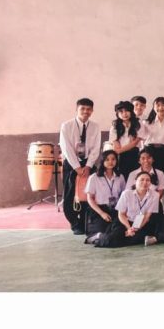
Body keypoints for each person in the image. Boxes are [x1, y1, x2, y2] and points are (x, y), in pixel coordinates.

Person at [60, 98, 101, 235]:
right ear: (76, 110)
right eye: (82, 108)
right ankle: (74, 223)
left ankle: (85, 221)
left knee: (88, 193)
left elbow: (96, 148)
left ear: (92, 111)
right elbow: (66, 148)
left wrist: (88, 166)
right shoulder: (66, 126)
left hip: (88, 163)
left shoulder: (95, 126)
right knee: (71, 194)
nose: (85, 111)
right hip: (72, 164)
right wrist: (76, 167)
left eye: (88, 109)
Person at [94, 170, 160, 248]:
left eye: (148, 180)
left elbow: (147, 216)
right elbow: (121, 214)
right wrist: (129, 228)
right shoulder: (126, 193)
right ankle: (99, 236)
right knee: (111, 240)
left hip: (141, 223)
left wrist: (136, 229)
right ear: (135, 181)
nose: (145, 182)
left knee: (137, 238)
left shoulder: (155, 195)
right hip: (125, 222)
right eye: (142, 179)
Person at [83, 150, 126, 245]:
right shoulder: (94, 177)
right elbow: (90, 198)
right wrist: (102, 213)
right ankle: (98, 237)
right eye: (107, 159)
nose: (111, 162)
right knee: (102, 231)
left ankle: (104, 238)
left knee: (119, 232)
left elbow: (124, 196)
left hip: (116, 209)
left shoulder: (120, 177)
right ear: (102, 161)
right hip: (100, 210)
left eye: (113, 159)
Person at [108, 101, 143, 177]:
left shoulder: (138, 123)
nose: (124, 114)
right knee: (122, 176)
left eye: (127, 111)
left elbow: (135, 143)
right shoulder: (115, 126)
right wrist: (118, 151)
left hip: (135, 154)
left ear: (131, 111)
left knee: (135, 177)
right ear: (117, 113)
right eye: (121, 111)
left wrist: (119, 150)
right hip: (121, 156)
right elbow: (116, 146)